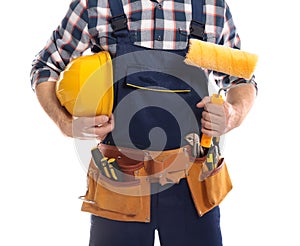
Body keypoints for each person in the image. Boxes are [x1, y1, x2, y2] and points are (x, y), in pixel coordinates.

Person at [30, 0, 257, 245]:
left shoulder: (211, 7)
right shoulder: (96, 5)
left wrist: (233, 114)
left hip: (193, 185)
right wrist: (65, 124)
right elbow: (45, 66)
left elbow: (241, 80)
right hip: (119, 183)